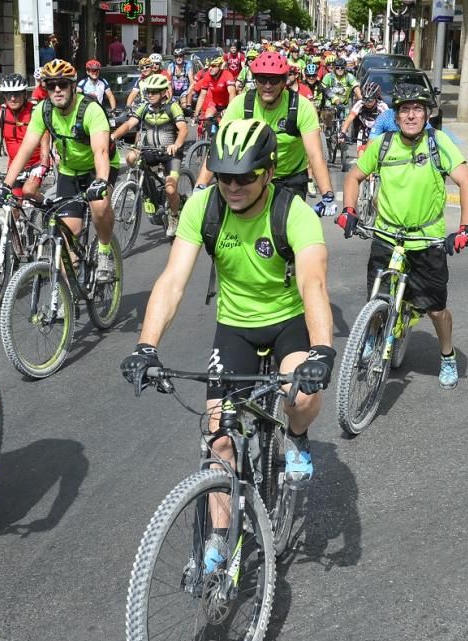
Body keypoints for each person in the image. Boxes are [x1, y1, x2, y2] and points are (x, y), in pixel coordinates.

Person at [119, 119, 334, 572]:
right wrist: (146, 345)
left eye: (244, 177)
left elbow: (313, 285)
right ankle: (220, 536)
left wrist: (322, 352)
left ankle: (296, 440)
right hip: (234, 328)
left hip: (287, 324)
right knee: (218, 436)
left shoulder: (294, 213)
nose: (232, 186)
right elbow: (173, 280)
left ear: (268, 173)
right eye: (223, 175)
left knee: (304, 394)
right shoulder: (204, 207)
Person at [337, 83, 468, 389]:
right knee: (376, 297)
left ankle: (447, 355)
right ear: (396, 116)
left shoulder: (438, 143)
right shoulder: (383, 144)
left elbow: (466, 182)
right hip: (386, 235)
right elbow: (354, 176)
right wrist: (349, 210)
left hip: (427, 240)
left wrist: (465, 228)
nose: (411, 116)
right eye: (404, 110)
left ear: (426, 114)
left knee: (436, 309)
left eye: (417, 110)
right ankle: (374, 338)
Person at [0, 59, 119, 283]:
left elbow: (101, 151)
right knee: (67, 233)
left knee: (99, 206)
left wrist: (100, 181)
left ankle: (105, 250)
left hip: (98, 168)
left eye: (62, 84)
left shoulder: (90, 110)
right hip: (70, 170)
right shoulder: (44, 110)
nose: (57, 90)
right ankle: (67, 295)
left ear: (72, 86)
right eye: (51, 85)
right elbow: (25, 149)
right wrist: (6, 185)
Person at [199, 51, 334, 209]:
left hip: (290, 178)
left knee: (285, 227)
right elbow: (218, 147)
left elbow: (315, 155)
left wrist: (327, 195)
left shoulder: (301, 107)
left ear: (284, 82)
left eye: (274, 80)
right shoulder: (241, 104)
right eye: (262, 79)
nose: (267, 86)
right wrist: (200, 186)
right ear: (255, 81)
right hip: (251, 177)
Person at [111, 74, 188, 237]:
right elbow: (129, 124)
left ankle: (174, 216)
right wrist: (113, 137)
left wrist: (176, 145)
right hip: (150, 150)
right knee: (131, 158)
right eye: (148, 92)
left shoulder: (172, 107)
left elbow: (183, 129)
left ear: (162, 93)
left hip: (170, 154)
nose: (150, 95)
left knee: (170, 188)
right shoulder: (144, 107)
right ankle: (147, 193)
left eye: (154, 92)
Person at [339, 81, 388, 153]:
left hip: (379, 133)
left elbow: (389, 123)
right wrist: (342, 133)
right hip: (364, 132)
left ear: (376, 98)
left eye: (370, 100)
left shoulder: (382, 106)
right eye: (365, 99)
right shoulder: (360, 104)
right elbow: (349, 119)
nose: (367, 102)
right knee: (361, 158)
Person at [191, 56, 235, 128]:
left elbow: (232, 94)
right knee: (207, 118)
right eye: (209, 66)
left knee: (226, 125)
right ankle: (211, 137)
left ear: (220, 66)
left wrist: (229, 110)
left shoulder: (227, 75)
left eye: (214, 66)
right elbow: (202, 96)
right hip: (215, 104)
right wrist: (196, 114)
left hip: (227, 104)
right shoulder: (207, 76)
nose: (210, 68)